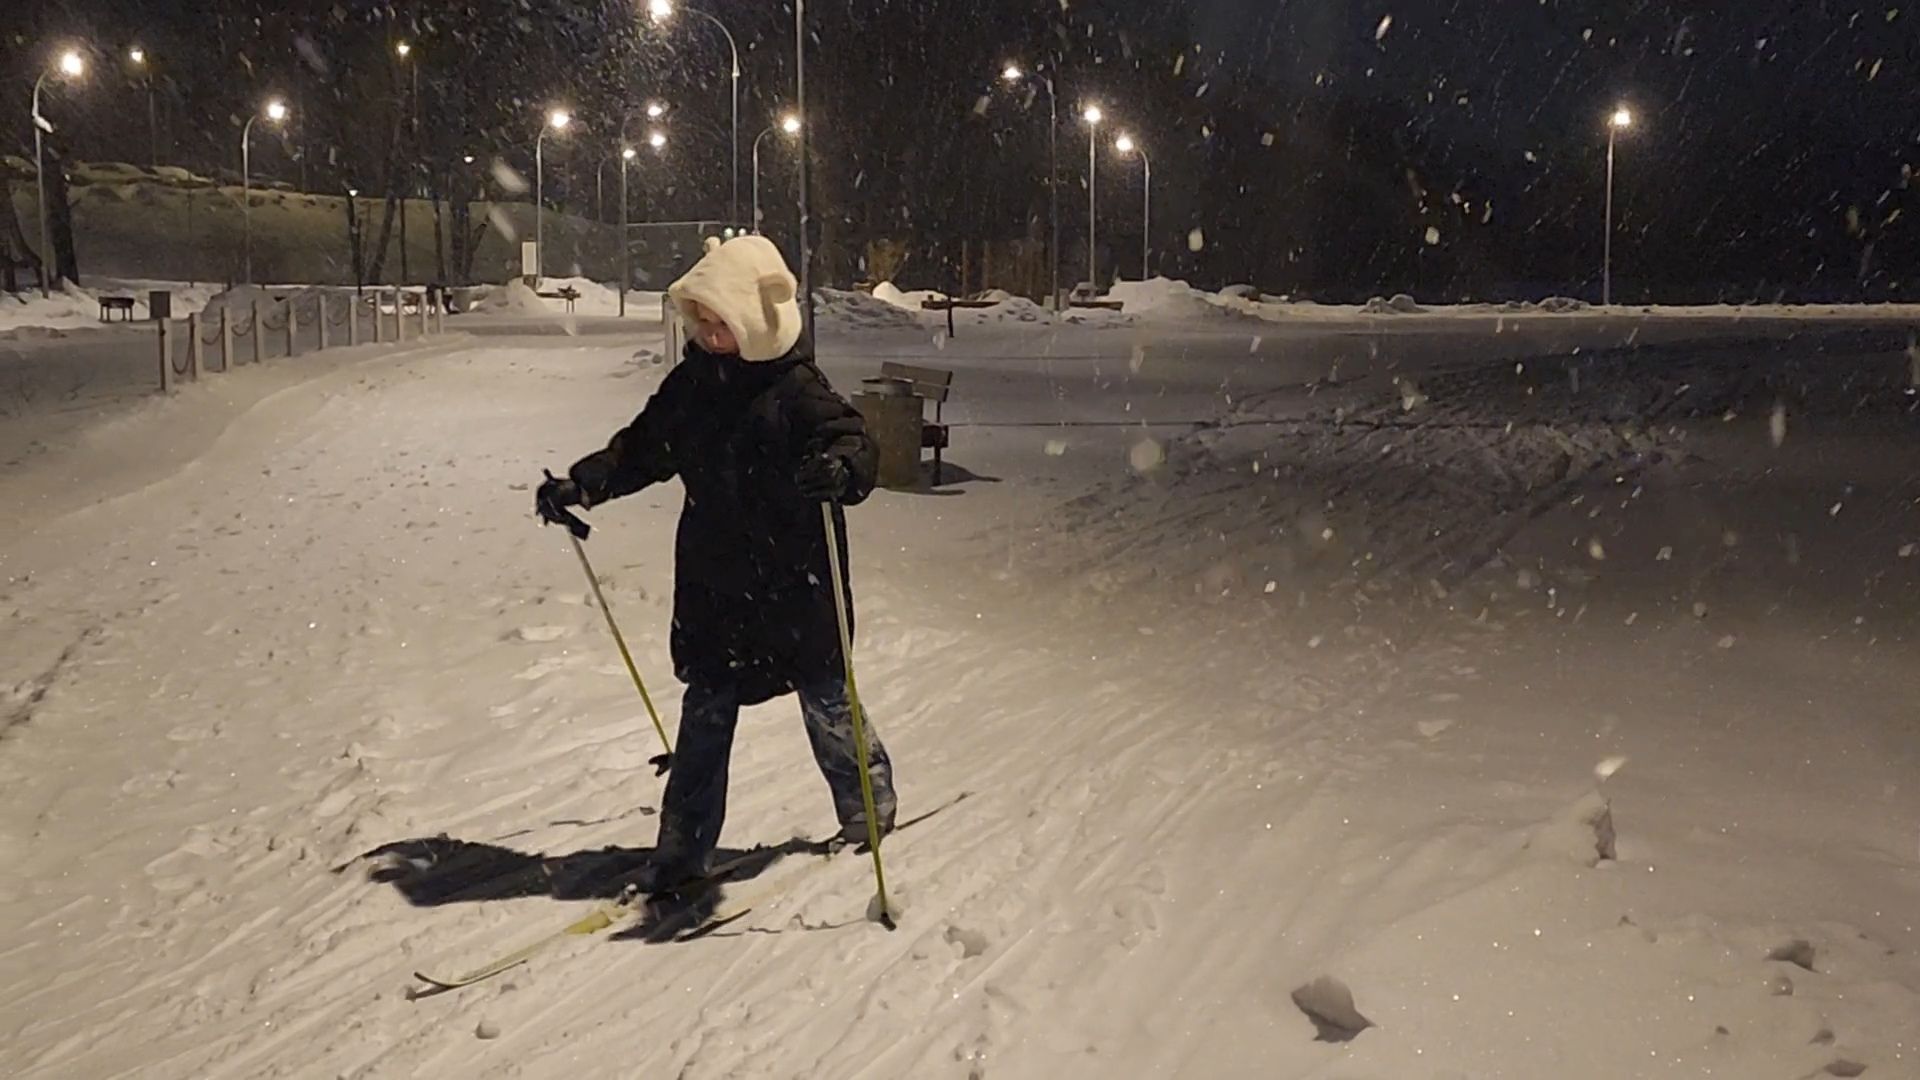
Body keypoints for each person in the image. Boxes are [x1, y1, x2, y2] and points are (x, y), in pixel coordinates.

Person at [536, 235, 896, 892]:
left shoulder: (797, 388)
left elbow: (853, 441)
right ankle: (681, 850)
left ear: (755, 319)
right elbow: (644, 448)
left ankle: (867, 807)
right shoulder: (693, 385)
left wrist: (840, 469)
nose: (706, 331)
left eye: (718, 319)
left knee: (827, 701)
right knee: (706, 711)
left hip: (795, 581)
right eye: (698, 319)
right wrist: (585, 483)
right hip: (717, 581)